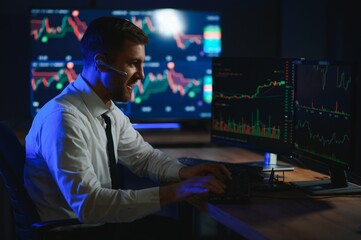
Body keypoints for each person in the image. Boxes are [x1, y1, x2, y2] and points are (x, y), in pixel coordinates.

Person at [24, 16, 231, 239]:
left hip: (99, 225)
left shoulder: (107, 109)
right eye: (133, 63)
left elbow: (143, 157)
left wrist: (183, 172)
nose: (141, 75)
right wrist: (175, 191)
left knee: (180, 230)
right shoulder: (63, 120)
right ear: (101, 62)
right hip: (75, 232)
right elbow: (89, 206)